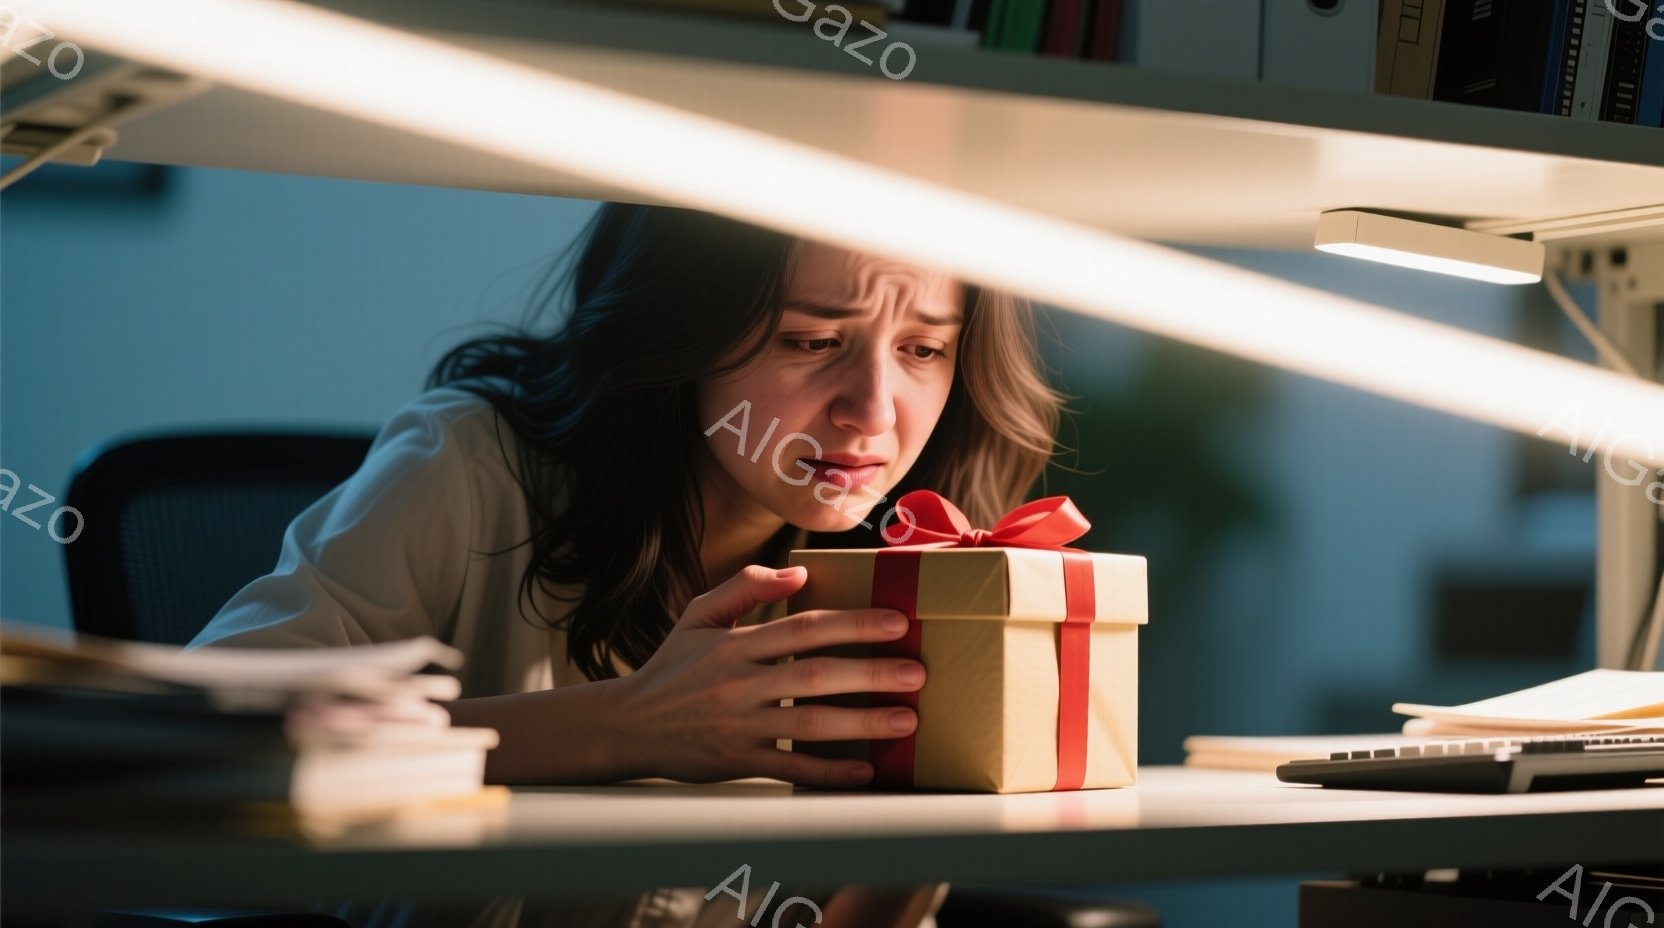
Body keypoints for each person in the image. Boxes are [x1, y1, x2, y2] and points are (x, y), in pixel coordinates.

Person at [189, 203, 1063, 928]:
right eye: (808, 341)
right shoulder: (467, 463)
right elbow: (209, 744)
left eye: (922, 349)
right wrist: (621, 727)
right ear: (681, 329)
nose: (872, 411)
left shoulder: (919, 563)